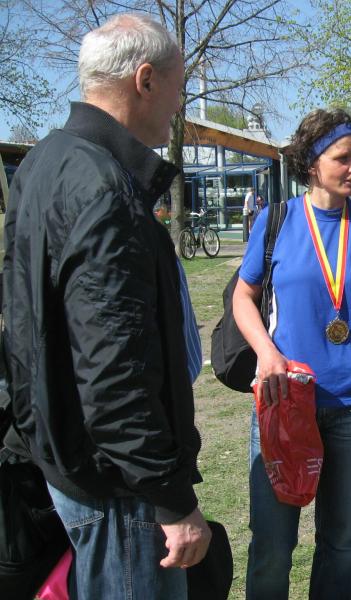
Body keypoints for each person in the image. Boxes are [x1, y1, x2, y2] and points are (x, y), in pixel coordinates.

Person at [2, 14, 211, 599]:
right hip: (117, 485)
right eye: (178, 88)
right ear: (145, 80)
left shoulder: (44, 162)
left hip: (69, 458)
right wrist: (171, 498)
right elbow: (116, 371)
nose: (178, 106)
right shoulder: (103, 185)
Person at [232, 108, 351, 599]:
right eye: (344, 158)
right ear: (312, 163)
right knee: (273, 544)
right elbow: (242, 296)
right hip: (283, 401)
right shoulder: (276, 220)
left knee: (340, 541)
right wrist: (266, 353)